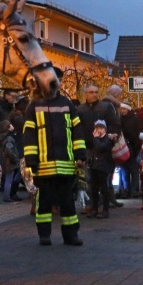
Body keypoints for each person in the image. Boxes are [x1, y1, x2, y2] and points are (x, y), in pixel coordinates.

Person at [23, 67, 86, 246]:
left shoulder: (67, 103)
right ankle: (44, 235)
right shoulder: (34, 106)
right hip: (43, 165)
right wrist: (31, 161)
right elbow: (29, 135)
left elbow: (77, 131)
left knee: (68, 203)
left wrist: (80, 154)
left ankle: (71, 236)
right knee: (44, 202)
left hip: (66, 164)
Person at [77, 84, 123, 210]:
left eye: (96, 92)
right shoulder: (80, 110)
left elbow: (114, 125)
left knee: (103, 178)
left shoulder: (105, 107)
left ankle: (105, 204)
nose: (94, 95)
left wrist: (111, 139)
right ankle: (92, 204)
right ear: (85, 94)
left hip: (103, 147)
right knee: (88, 178)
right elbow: (77, 129)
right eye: (91, 92)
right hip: (87, 147)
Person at [87, 120, 115, 219]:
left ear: (105, 129)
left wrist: (95, 138)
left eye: (101, 128)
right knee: (93, 189)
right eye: (97, 128)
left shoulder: (107, 139)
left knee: (104, 188)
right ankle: (94, 208)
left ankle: (105, 210)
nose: (99, 130)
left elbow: (100, 147)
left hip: (103, 167)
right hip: (94, 166)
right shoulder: (95, 139)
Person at [0, 120, 22, 203]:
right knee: (9, 179)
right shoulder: (9, 138)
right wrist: (16, 158)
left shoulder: (4, 138)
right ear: (8, 128)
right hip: (9, 161)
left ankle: (6, 196)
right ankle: (7, 197)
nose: (13, 126)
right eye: (10, 125)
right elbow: (10, 150)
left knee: (7, 178)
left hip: (6, 161)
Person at [119, 103, 142, 198]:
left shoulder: (135, 119)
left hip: (133, 148)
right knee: (124, 171)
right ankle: (126, 189)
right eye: (122, 109)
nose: (123, 111)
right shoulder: (120, 119)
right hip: (123, 148)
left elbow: (136, 134)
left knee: (134, 170)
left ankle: (134, 190)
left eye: (124, 109)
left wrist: (135, 146)